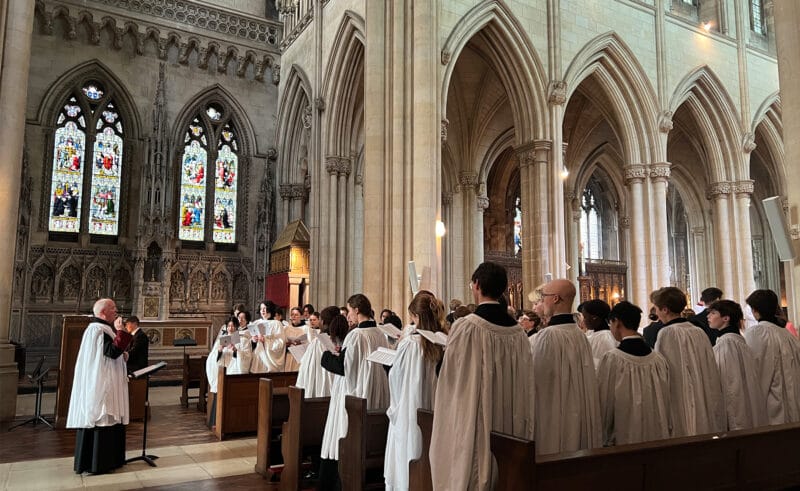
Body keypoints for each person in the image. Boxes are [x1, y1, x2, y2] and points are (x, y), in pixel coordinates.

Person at [430, 262, 535, 489]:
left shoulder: (467, 326)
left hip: (476, 414)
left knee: (475, 467)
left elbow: (450, 375)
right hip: (509, 417)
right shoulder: (518, 332)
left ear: (476, 285)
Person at [318, 294, 390, 490]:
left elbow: (344, 368)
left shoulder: (356, 335)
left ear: (357, 310)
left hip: (354, 393)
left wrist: (325, 356)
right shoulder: (380, 333)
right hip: (374, 392)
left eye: (349, 312)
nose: (348, 317)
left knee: (343, 432)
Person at [529, 279, 601, 455]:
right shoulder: (580, 336)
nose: (542, 301)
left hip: (553, 416)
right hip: (579, 415)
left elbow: (539, 383)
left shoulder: (547, 336)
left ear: (555, 298)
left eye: (543, 297)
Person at [384, 291, 446, 491]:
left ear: (417, 317)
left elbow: (396, 378)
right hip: (436, 408)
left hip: (409, 409)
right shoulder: (442, 341)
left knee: (408, 454)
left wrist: (393, 408)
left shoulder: (410, 344)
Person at [67, 298, 132, 474]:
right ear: (103, 312)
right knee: (102, 419)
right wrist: (121, 331)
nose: (117, 311)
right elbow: (110, 353)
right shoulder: (99, 330)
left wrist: (122, 354)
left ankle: (110, 461)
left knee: (108, 422)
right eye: (113, 309)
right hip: (103, 385)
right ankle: (98, 463)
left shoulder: (98, 329)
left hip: (104, 380)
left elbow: (109, 353)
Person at [652, 287, 725, 436]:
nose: (656, 313)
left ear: (665, 309)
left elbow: (662, 371)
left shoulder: (666, 333)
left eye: (656, 309)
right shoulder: (697, 331)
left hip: (679, 400)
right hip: (702, 395)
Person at [597, 301, 672, 446]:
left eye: (610, 324)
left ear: (617, 322)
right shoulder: (658, 359)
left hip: (624, 435)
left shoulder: (613, 358)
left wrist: (603, 435)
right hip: (656, 433)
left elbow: (604, 401)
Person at [707, 300, 767, 430]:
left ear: (726, 318)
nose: (708, 317)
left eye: (712, 313)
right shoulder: (737, 341)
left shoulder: (727, 344)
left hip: (734, 409)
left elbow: (731, 383)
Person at [743, 289, 800, 424]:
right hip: (793, 399)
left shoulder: (757, 332)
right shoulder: (787, 334)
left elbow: (754, 370)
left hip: (770, 402)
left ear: (755, 310)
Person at [296, 307, 344, 398]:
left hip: (320, 386)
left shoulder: (319, 341)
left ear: (323, 322)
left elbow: (306, 369)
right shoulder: (342, 340)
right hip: (337, 388)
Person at [250, 300, 287, 373]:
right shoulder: (256, 323)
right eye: (261, 309)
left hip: (269, 358)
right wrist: (253, 340)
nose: (262, 311)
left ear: (270, 309)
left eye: (265, 308)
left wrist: (265, 341)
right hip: (258, 355)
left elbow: (281, 342)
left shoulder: (276, 324)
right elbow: (249, 341)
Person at [579, 299, 616, 369]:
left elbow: (602, 366)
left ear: (594, 317)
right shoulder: (592, 332)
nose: (583, 320)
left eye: (585, 317)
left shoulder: (604, 338)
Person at [284, 307, 306, 371]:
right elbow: (282, 342)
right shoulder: (286, 329)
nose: (293, 316)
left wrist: (301, 344)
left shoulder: (306, 329)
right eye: (292, 314)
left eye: (296, 315)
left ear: (301, 317)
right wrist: (287, 344)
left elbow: (310, 344)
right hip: (288, 356)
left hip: (300, 357)